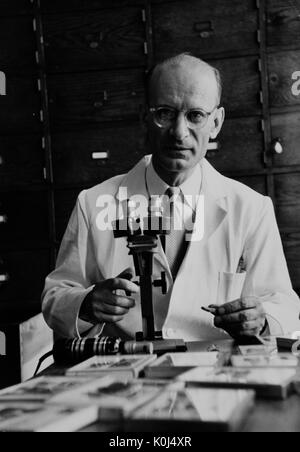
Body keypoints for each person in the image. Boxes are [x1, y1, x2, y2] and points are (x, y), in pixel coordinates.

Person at [42, 53, 300, 341]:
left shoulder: (251, 208)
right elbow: (56, 296)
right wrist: (86, 305)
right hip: (127, 375)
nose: (179, 132)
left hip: (215, 374)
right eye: (165, 113)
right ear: (146, 117)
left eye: (195, 116)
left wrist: (262, 320)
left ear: (215, 122)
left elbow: (284, 305)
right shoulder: (93, 204)